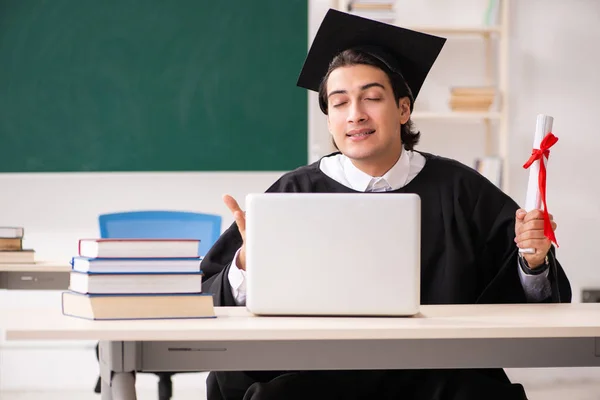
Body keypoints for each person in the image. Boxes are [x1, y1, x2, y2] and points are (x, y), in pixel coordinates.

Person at [200, 9, 571, 400]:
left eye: (372, 98)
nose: (355, 114)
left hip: (434, 371)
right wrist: (246, 266)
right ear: (330, 122)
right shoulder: (293, 192)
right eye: (339, 104)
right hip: (318, 372)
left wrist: (532, 260)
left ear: (404, 109)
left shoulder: (462, 189)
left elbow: (529, 297)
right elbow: (212, 297)